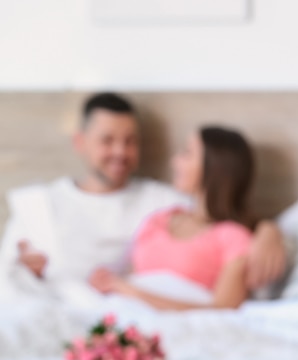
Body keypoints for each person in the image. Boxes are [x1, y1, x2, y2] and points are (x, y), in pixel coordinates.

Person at [0, 92, 285, 297]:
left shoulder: (163, 204)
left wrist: (269, 231)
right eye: (107, 140)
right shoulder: (40, 206)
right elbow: (7, 280)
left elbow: (222, 213)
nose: (120, 152)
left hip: (124, 311)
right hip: (55, 308)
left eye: (130, 141)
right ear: (80, 142)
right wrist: (28, 275)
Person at [89, 126, 258, 310]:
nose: (174, 161)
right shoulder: (157, 220)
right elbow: (132, 281)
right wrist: (110, 284)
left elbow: (224, 309)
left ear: (215, 167)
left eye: (187, 153)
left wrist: (131, 292)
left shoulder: (233, 237)